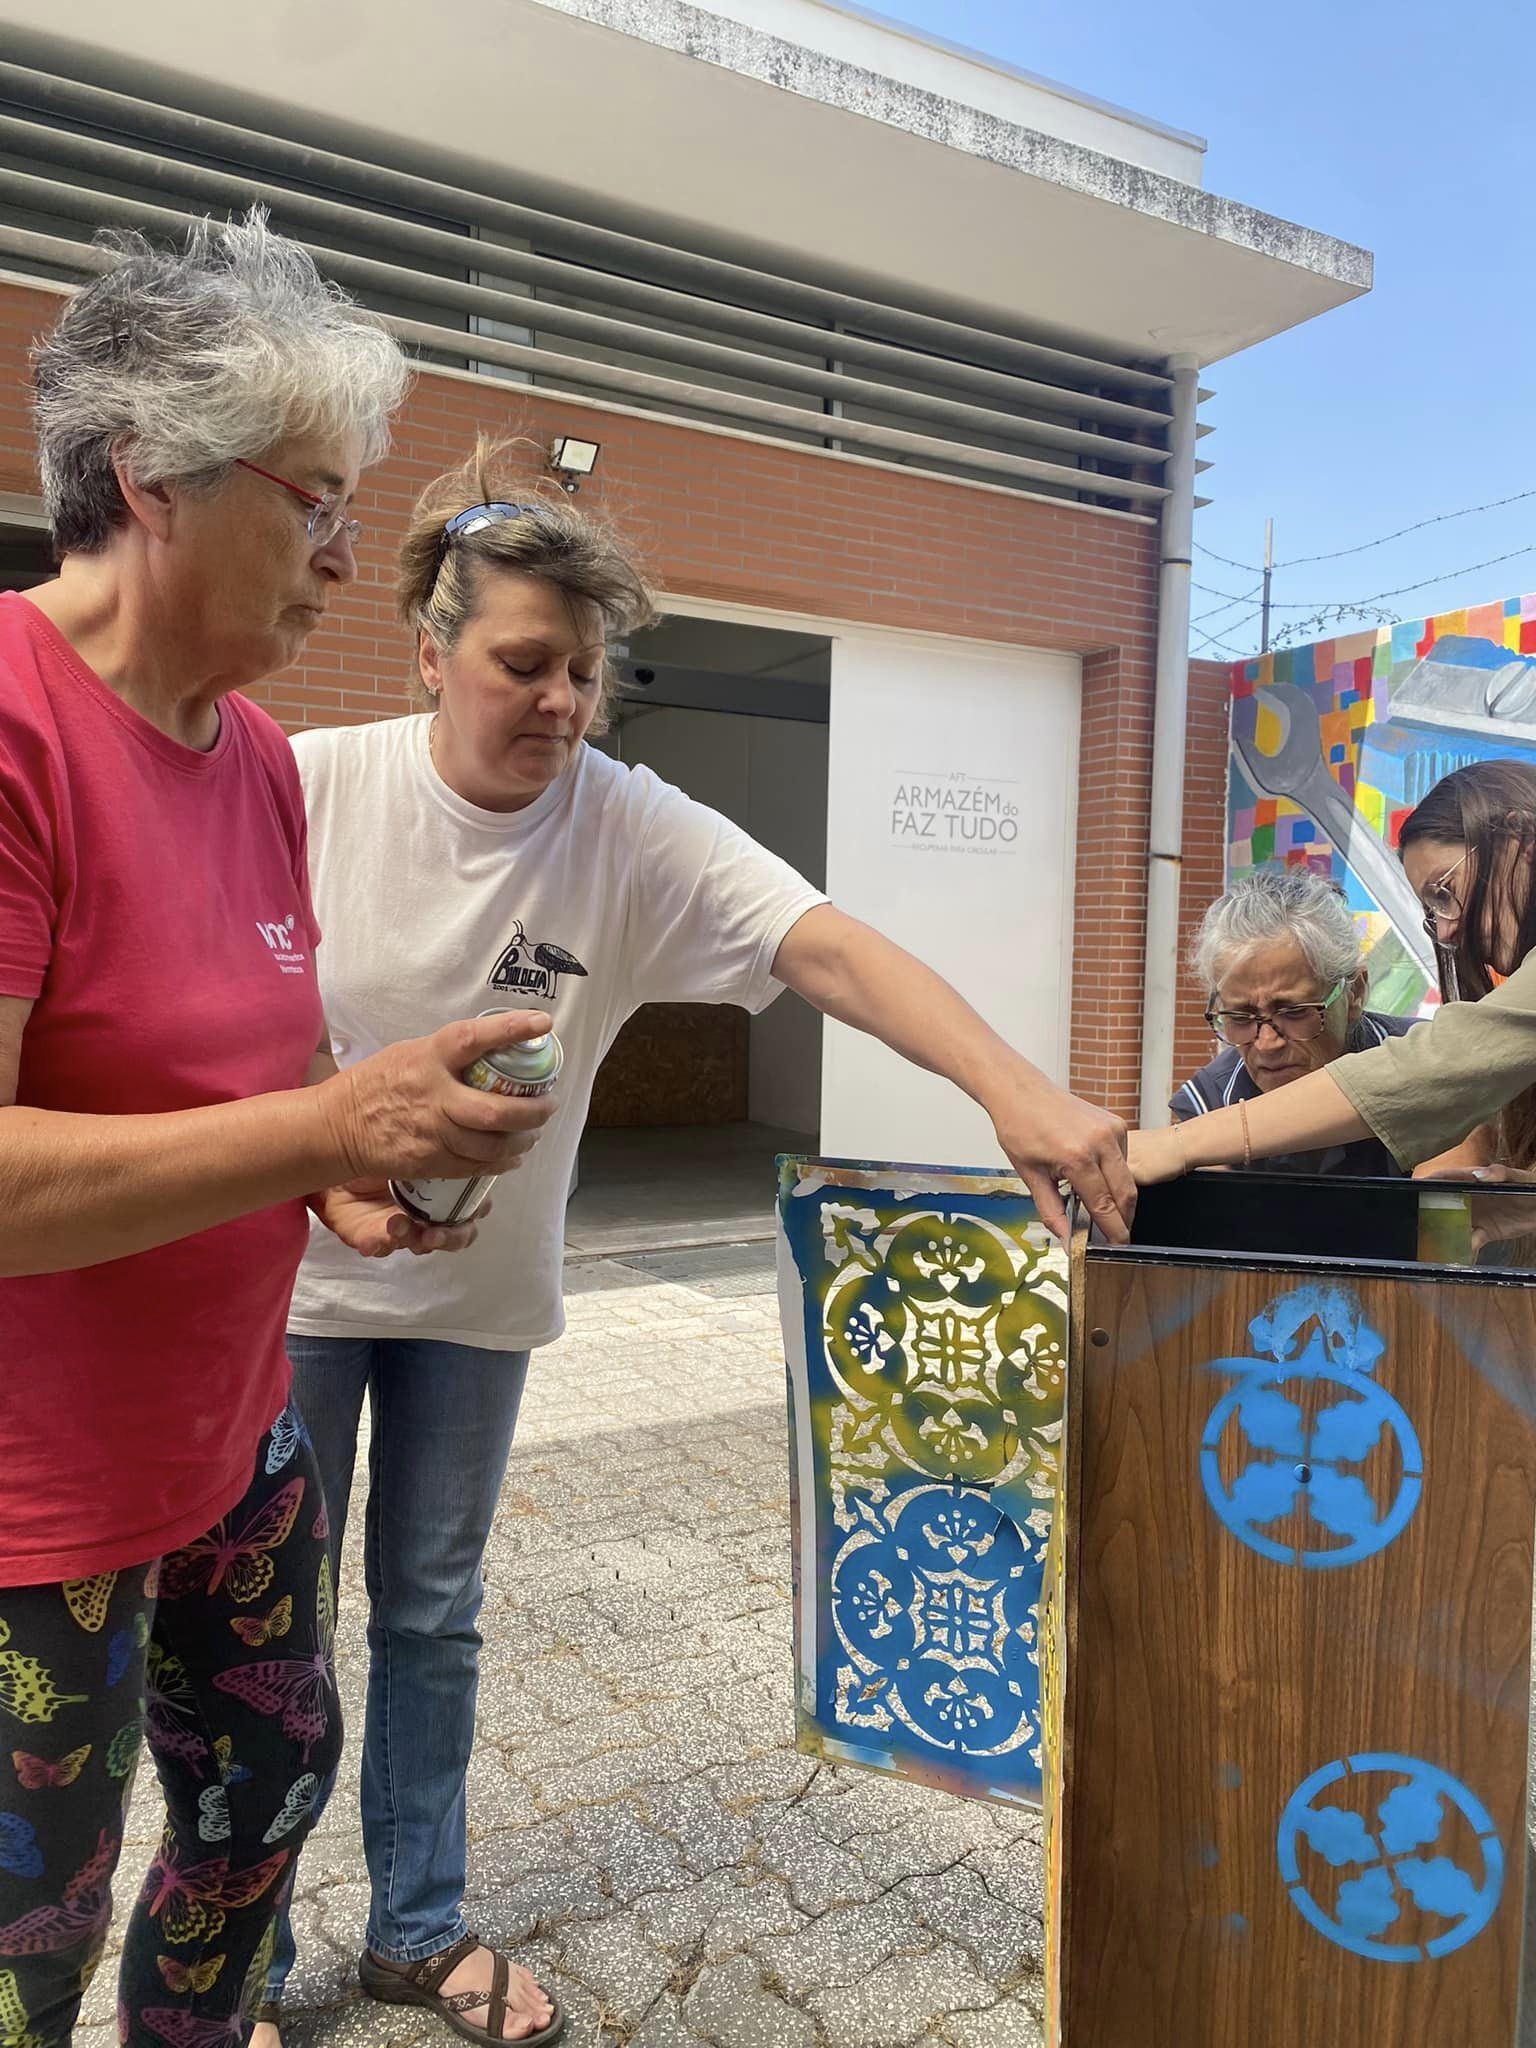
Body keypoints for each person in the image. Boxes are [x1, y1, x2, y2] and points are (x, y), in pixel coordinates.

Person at [263, 439, 1137, 2044]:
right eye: (525, 663)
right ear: (432, 652)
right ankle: (235, 1966)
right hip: (291, 1294)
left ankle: (413, 1928)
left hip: (480, 1297)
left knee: (433, 1613)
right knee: (272, 1620)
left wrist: (1015, 1088)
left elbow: (827, 945)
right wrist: (318, 1161)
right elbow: (224, 1012)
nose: (561, 703)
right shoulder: (312, 788)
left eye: (588, 675)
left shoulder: (623, 820)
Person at [0, 220, 561, 2048]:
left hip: (233, 1438)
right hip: (35, 1501)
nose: (345, 552)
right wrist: (330, 1112)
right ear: (155, 473)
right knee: (29, 1922)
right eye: (317, 498)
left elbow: (224, 1066)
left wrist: (331, 1153)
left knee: (255, 1821)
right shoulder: (13, 724)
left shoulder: (240, 746)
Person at [1130, 760, 1536, 1234]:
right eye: (1239, 1017)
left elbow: (1436, 1073)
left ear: (1519, 841)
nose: (1447, 929)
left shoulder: (1428, 1063)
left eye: (1444, 891)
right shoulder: (1207, 1096)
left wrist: (1178, 1145)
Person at [1172, 867, 1414, 1175]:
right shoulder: (1213, 1098)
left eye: (1293, 1012)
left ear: (1355, 991)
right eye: (1240, 1017)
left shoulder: (1428, 1063)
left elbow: (1445, 1208)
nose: (1267, 1043)